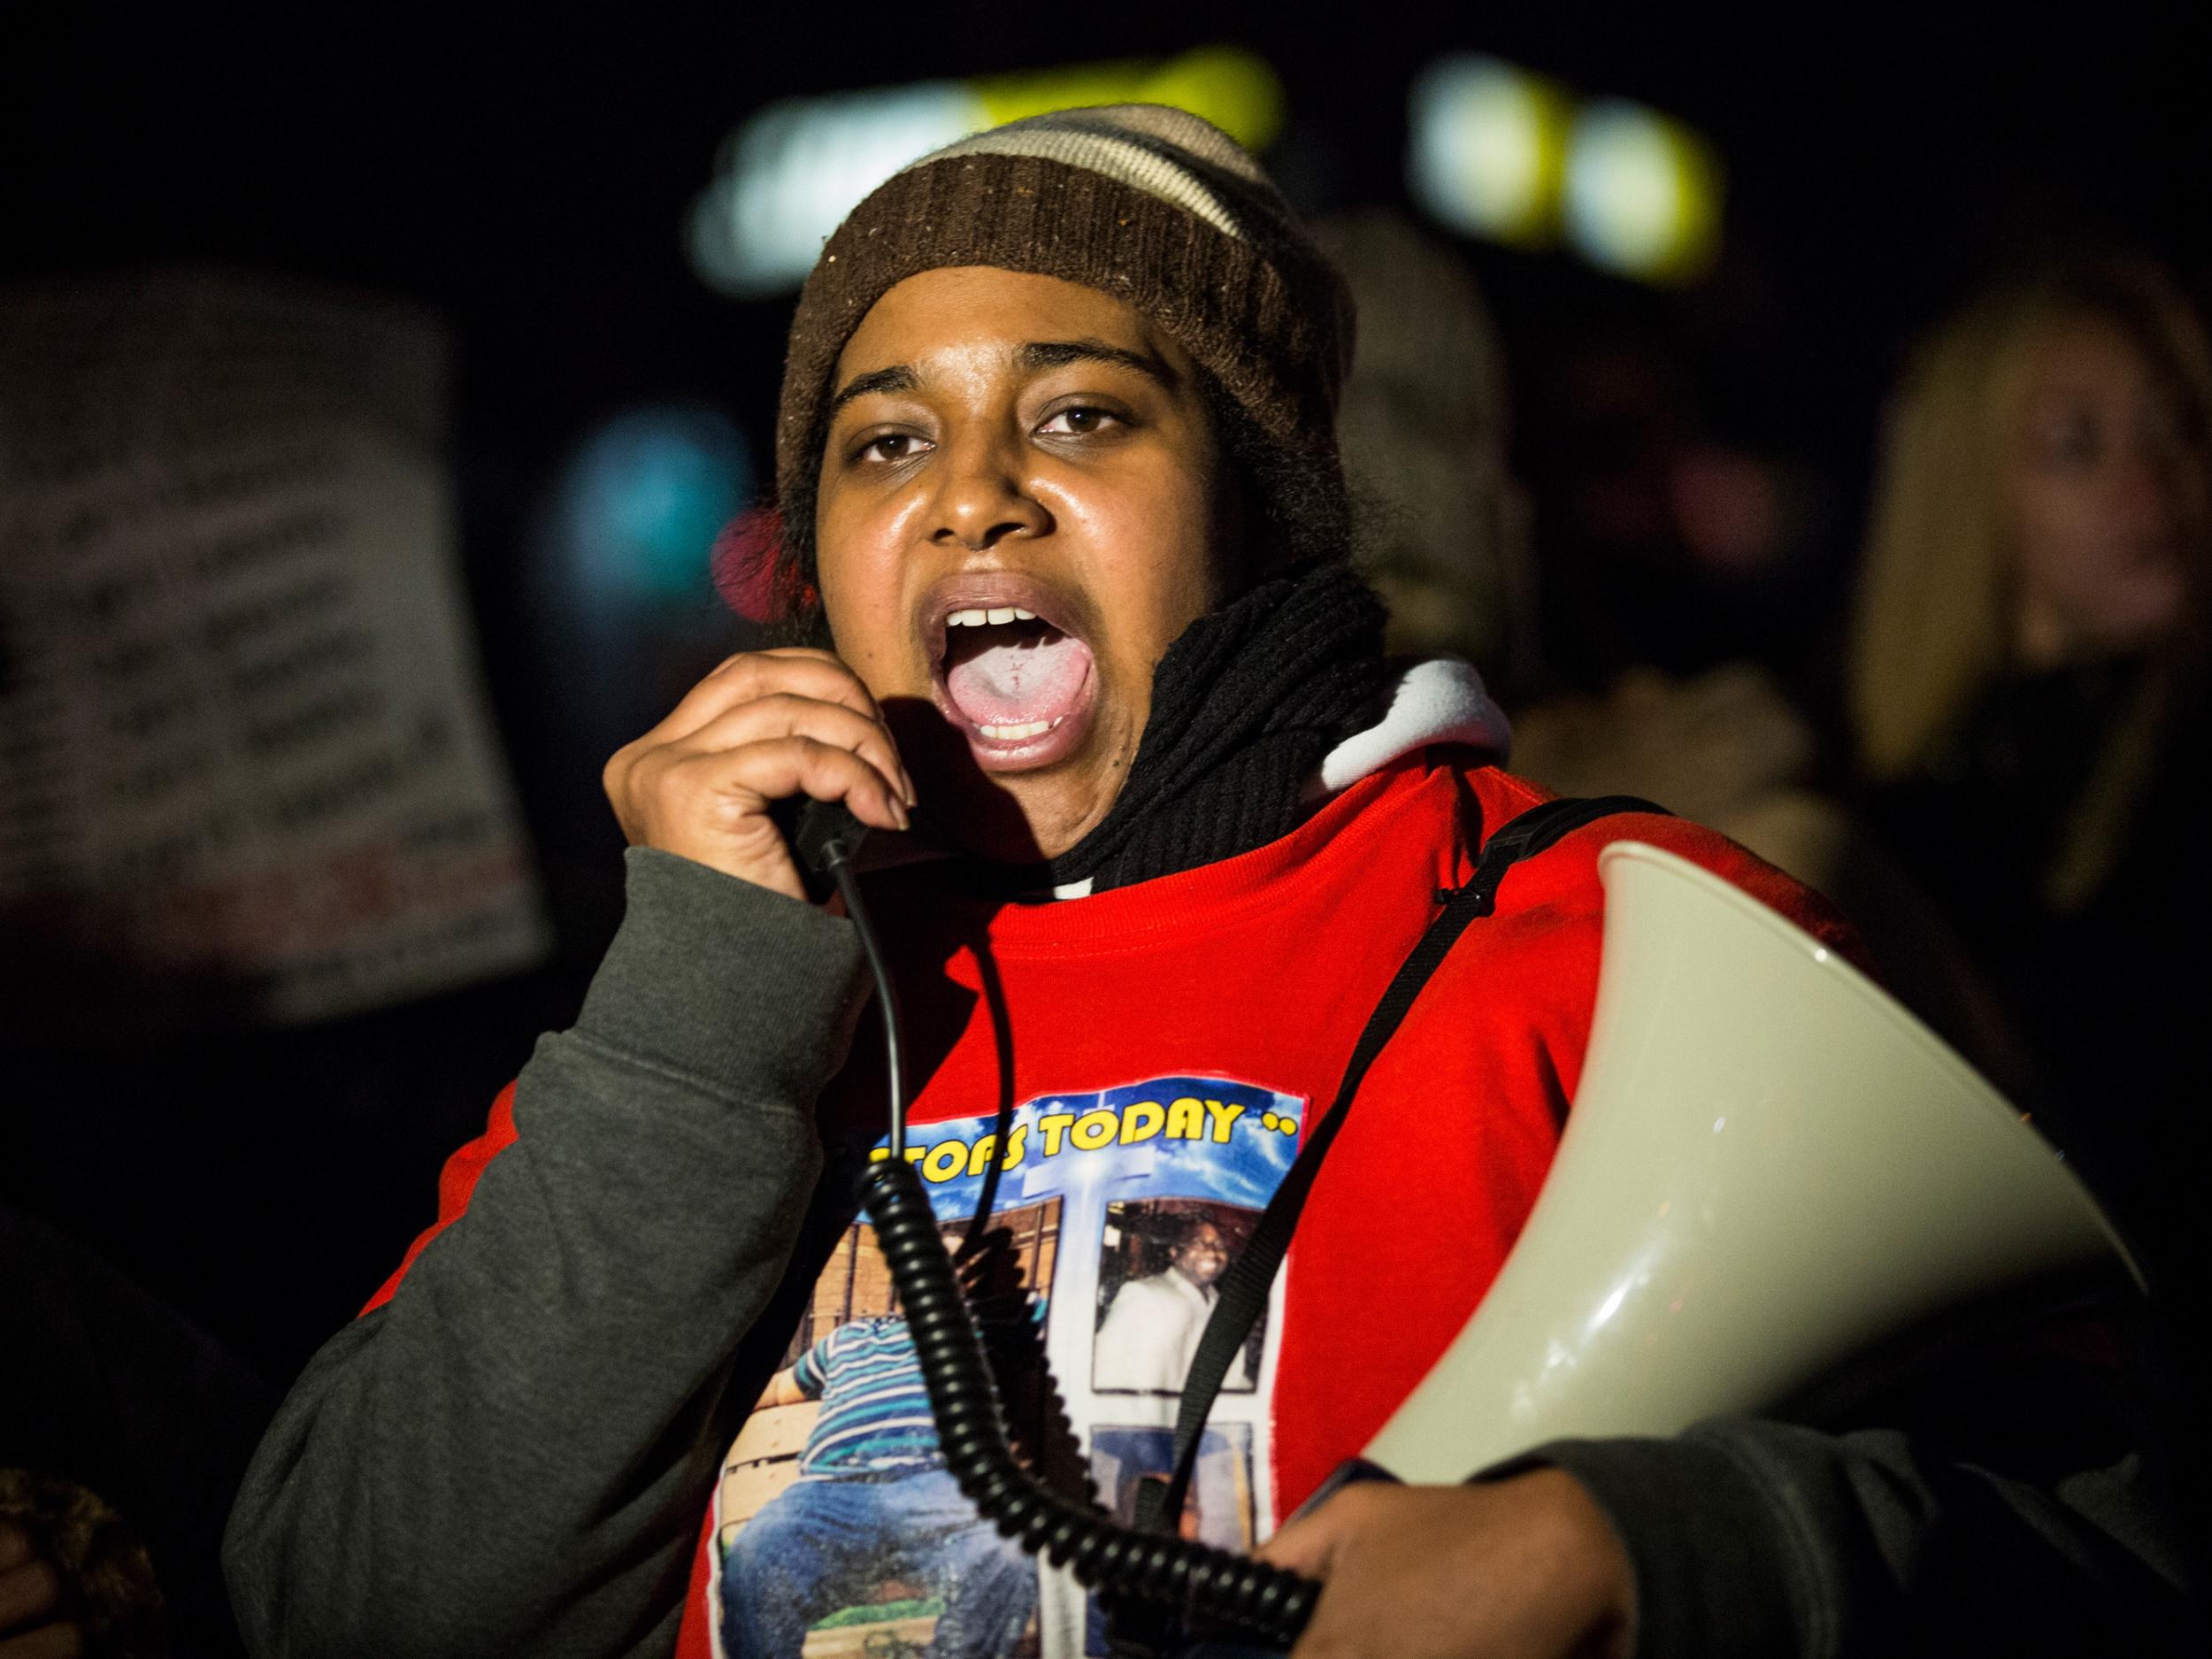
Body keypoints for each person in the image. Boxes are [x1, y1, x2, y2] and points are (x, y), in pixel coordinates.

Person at [223, 108, 2201, 1659]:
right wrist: (693, 1009)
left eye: (1079, 413)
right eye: (880, 438)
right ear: (818, 563)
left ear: (1253, 508)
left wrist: (1654, 1557)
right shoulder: (723, 1006)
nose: (968, 491)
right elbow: (346, 1607)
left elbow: (2123, 1560)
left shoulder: (1599, 944)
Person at [1847, 259, 2212, 1294]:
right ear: (1969, 494)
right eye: (2073, 446)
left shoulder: (2181, 759)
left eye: (2174, 427)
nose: (2150, 482)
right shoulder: (1891, 782)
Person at [719, 1317, 1035, 1659]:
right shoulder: (846, 1339)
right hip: (833, 1492)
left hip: (945, 1485)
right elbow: (782, 1389)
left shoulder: (990, 1321)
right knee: (756, 1553)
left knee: (1009, 1549)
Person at [1094, 1217, 1248, 1394]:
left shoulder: (1224, 1305)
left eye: (1219, 1245)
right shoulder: (1142, 1293)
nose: (1211, 1251)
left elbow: (1233, 1376)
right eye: (1198, 1243)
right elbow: (1104, 1371)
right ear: (1174, 1252)